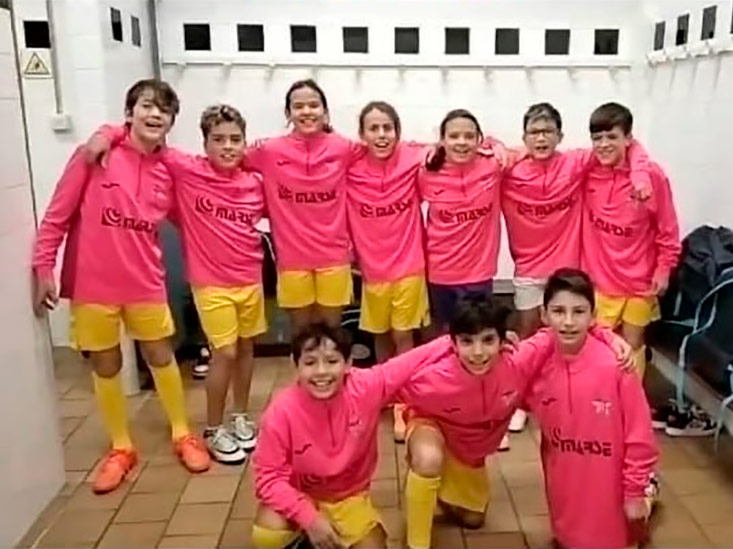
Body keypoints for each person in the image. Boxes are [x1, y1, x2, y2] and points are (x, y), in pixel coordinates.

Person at [31, 79, 210, 494]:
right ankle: (121, 447)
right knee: (106, 363)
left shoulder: (171, 167)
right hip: (93, 284)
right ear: (130, 113)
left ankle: (182, 433)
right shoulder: (95, 156)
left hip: (145, 281)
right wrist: (44, 268)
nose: (154, 115)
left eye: (163, 111)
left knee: (160, 355)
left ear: (170, 123)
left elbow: (191, 218)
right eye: (147, 106)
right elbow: (57, 215)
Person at [86, 104, 269, 464]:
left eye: (235, 140)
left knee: (247, 349)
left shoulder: (253, 183)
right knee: (225, 352)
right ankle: (214, 428)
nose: (228, 147)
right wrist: (107, 132)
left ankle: (240, 415)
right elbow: (145, 134)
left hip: (250, 277)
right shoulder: (188, 170)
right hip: (211, 282)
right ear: (205, 143)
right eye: (218, 140)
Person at [397, 295, 632, 549]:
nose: (478, 352)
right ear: (454, 343)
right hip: (431, 429)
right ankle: (416, 541)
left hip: (467, 452)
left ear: (503, 339)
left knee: (474, 519)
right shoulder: (433, 374)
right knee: (428, 458)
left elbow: (562, 328)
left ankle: (434, 486)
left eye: (488, 340)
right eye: (467, 341)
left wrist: (612, 338)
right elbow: (377, 384)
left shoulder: (517, 361)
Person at [502, 102, 654, 433]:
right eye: (534, 132)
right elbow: (481, 148)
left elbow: (631, 144)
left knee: (568, 335)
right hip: (527, 266)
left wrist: (641, 173)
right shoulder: (509, 169)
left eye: (547, 132)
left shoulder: (576, 163)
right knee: (528, 332)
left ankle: (566, 397)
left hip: (567, 267)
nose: (541, 139)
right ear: (524, 137)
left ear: (560, 136)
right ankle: (520, 400)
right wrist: (498, 147)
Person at [251, 324, 451, 549]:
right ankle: (305, 538)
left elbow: (413, 360)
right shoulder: (280, 412)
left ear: (348, 363)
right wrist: (310, 518)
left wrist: (455, 340)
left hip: (349, 497)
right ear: (294, 365)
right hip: (301, 495)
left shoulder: (366, 387)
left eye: (332, 361)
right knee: (266, 534)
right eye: (309, 363)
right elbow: (268, 478)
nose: (321, 372)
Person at [526, 268, 659, 548]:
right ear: (544, 314)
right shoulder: (537, 366)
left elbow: (640, 436)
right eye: (559, 311)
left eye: (579, 311)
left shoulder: (616, 366)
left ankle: (647, 493)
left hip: (611, 504)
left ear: (593, 315)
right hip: (566, 500)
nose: (569, 322)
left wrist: (634, 493)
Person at [246, 79, 363, 333]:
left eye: (313, 105)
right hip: (291, 259)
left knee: (332, 330)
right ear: (288, 114)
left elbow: (382, 151)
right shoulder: (269, 150)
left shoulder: (343, 147)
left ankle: (341, 374)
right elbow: (228, 160)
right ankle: (300, 374)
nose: (307, 112)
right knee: (301, 332)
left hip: (334, 257)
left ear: (325, 111)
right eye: (298, 107)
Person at [346, 101, 431, 442]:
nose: (381, 135)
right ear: (362, 134)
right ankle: (383, 389)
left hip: (409, 265)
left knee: (403, 335)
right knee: (380, 334)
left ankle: (405, 402)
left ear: (398, 131)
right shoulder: (349, 165)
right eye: (374, 128)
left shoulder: (412, 158)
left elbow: (458, 143)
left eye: (388, 128)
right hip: (372, 270)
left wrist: (497, 146)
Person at [581, 102, 681, 379]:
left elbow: (668, 229)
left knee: (632, 345)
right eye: (597, 138)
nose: (603, 145)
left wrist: (664, 268)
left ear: (628, 138)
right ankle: (600, 400)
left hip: (640, 281)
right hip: (601, 280)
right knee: (599, 345)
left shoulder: (651, 177)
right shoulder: (587, 170)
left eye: (611, 137)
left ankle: (630, 402)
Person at [419, 110, 503, 334]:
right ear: (442, 140)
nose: (462, 142)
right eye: (454, 136)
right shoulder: (427, 171)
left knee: (479, 333)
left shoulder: (494, 166)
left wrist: (496, 144)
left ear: (479, 139)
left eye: (469, 136)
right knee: (445, 335)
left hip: (479, 273)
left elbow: (523, 152)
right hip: (440, 272)